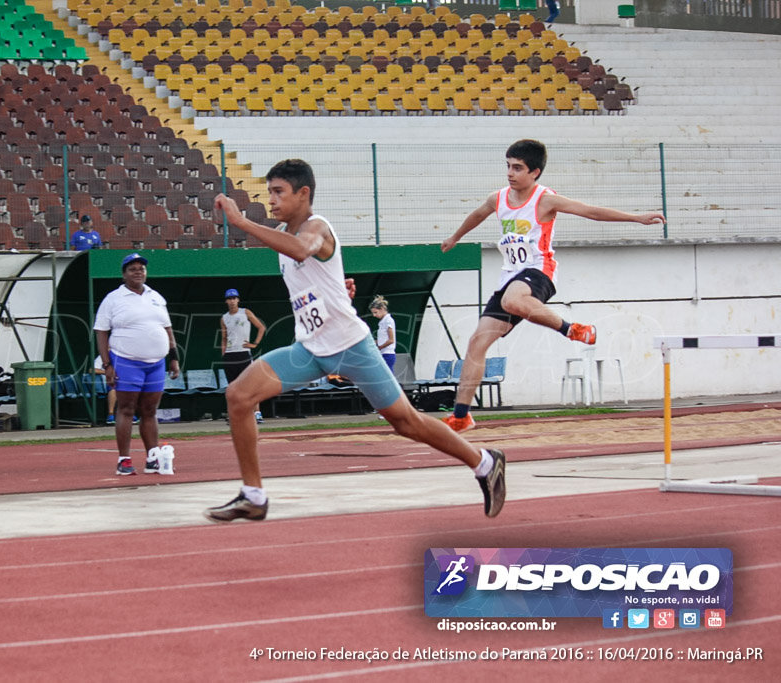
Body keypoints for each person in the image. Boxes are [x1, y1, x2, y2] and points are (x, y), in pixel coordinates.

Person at [204, 159, 506, 523]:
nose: (270, 200)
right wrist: (339, 292)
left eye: (278, 192)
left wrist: (240, 221)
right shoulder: (285, 236)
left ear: (304, 193)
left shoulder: (317, 227)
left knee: (406, 423)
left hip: (351, 348)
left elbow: (304, 249)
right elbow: (316, 277)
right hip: (310, 350)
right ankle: (253, 495)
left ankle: (484, 462)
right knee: (238, 396)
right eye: (268, 192)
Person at [440, 139, 665, 433]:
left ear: (535, 172)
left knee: (512, 300)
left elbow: (590, 211)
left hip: (539, 271)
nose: (510, 173)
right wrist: (455, 237)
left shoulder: (545, 200)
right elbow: (479, 214)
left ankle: (571, 329)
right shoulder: (498, 198)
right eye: (508, 166)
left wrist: (636, 218)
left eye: (517, 168)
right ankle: (461, 415)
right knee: (477, 342)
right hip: (510, 277)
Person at [94, 253, 180, 476]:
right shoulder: (113, 298)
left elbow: (167, 329)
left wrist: (173, 357)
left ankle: (153, 458)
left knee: (150, 410)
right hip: (126, 360)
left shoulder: (156, 297)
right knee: (126, 409)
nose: (138, 272)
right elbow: (101, 332)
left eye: (141, 268)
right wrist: (107, 365)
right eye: (132, 269)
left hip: (155, 363)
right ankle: (124, 459)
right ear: (124, 274)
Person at [220, 287, 267, 423]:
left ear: (238, 300)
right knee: (233, 388)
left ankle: (257, 413)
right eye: (229, 299)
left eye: (234, 298)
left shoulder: (245, 312)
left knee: (250, 385)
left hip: (244, 353)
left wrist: (255, 344)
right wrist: (223, 353)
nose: (232, 301)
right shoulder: (224, 318)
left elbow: (261, 327)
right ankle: (235, 415)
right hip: (230, 355)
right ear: (226, 301)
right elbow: (223, 337)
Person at [369, 295, 396, 374]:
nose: (374, 315)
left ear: (382, 309)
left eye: (375, 312)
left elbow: (391, 340)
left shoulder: (388, 321)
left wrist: (380, 347)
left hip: (387, 353)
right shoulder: (382, 322)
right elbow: (383, 338)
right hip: (383, 353)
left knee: (387, 375)